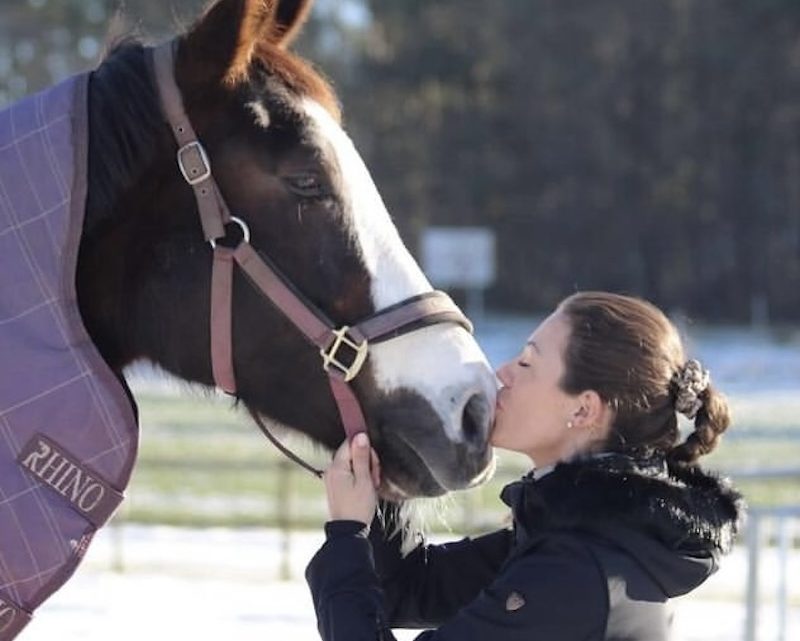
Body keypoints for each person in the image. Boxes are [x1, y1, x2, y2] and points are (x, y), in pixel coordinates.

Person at [305, 291, 744, 641]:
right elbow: (408, 588)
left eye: (528, 362)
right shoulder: (578, 534)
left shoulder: (574, 573)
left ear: (584, 410)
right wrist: (386, 485)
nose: (502, 373)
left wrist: (347, 534)